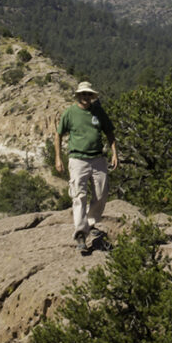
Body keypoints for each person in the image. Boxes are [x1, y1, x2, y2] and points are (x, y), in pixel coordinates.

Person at [55, 81, 118, 252]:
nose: (86, 97)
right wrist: (58, 158)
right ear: (78, 95)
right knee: (79, 196)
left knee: (101, 194)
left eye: (88, 94)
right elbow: (58, 134)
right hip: (78, 159)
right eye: (83, 94)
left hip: (98, 159)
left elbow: (109, 132)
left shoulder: (98, 112)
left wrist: (114, 153)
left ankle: (90, 223)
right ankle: (81, 234)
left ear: (92, 96)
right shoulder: (70, 113)